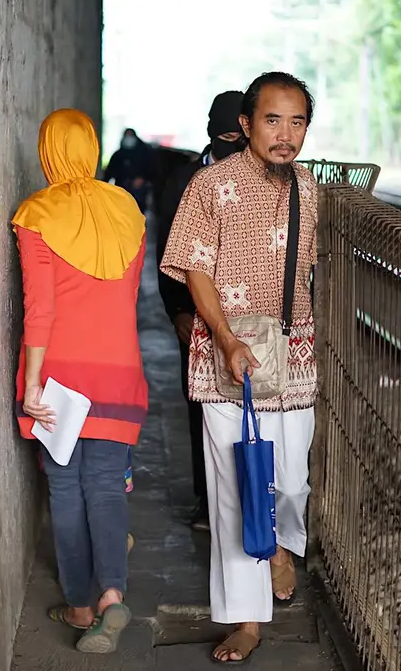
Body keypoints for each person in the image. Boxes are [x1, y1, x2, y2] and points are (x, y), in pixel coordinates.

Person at [159, 72, 319, 664]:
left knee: (292, 481)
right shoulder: (210, 186)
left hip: (292, 354)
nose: (285, 134)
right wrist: (224, 339)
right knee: (234, 492)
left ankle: (280, 545)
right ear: (247, 125)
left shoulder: (308, 187)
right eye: (272, 120)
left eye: (297, 121)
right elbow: (195, 269)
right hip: (227, 362)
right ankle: (247, 622)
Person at [14, 108, 149, 655]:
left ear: (48, 151)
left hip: (62, 380)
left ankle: (77, 604)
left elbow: (39, 311)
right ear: (91, 148)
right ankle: (113, 594)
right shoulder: (127, 211)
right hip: (121, 371)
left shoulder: (36, 215)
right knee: (106, 485)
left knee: (66, 490)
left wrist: (30, 384)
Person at [155, 90, 247, 532]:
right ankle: (206, 501)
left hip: (246, 315)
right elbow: (165, 253)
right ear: (212, 131)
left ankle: (246, 497)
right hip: (193, 316)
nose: (234, 146)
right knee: (199, 407)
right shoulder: (182, 182)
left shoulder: (260, 177)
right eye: (227, 137)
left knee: (248, 405)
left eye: (240, 136)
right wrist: (177, 311)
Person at [103, 128, 156, 211]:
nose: (128, 139)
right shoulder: (118, 155)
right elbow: (109, 173)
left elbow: (152, 170)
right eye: (126, 136)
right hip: (122, 190)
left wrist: (142, 178)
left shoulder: (145, 154)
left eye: (130, 136)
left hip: (139, 192)